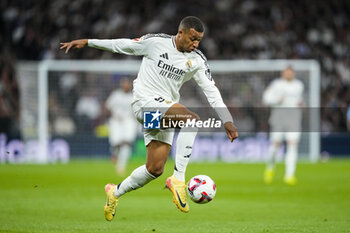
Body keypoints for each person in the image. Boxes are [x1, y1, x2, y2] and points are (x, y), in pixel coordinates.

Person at [60, 16, 238, 221]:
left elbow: (211, 90)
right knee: (192, 120)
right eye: (192, 38)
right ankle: (178, 180)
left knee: (154, 169)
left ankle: (114, 192)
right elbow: (122, 45)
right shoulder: (156, 43)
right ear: (180, 33)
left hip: (163, 111)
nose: (196, 44)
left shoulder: (197, 60)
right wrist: (89, 42)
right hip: (144, 105)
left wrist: (227, 119)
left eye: (199, 40)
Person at [262, 66, 304, 186]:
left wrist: (300, 104)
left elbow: (299, 101)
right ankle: (270, 168)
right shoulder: (276, 84)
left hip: (294, 118)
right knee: (275, 145)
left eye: (291, 72)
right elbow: (266, 99)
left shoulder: (299, 85)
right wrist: (276, 100)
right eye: (287, 72)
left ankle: (289, 175)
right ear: (283, 73)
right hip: (279, 118)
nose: (289, 74)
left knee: (292, 144)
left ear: (293, 73)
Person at [105, 77, 138, 176]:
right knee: (116, 143)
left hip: (128, 121)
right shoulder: (116, 95)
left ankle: (121, 166)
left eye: (127, 84)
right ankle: (114, 154)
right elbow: (107, 106)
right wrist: (113, 114)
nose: (125, 86)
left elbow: (137, 110)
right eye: (124, 84)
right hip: (116, 121)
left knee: (127, 143)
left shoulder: (133, 97)